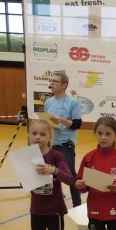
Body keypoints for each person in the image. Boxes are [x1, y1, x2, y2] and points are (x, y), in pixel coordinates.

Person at [27, 119, 74, 230]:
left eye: (42, 134)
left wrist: (54, 170)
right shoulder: (28, 157)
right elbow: (24, 182)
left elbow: (69, 178)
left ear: (50, 137)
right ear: (29, 136)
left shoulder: (56, 156)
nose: (37, 137)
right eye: (34, 134)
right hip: (36, 208)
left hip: (54, 210)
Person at [45, 72, 83, 207]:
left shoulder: (73, 102)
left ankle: (77, 205)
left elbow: (77, 124)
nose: (51, 83)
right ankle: (53, 203)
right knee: (50, 175)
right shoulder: (48, 102)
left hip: (66, 144)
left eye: (55, 81)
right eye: (50, 81)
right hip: (51, 145)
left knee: (70, 175)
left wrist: (62, 120)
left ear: (64, 85)